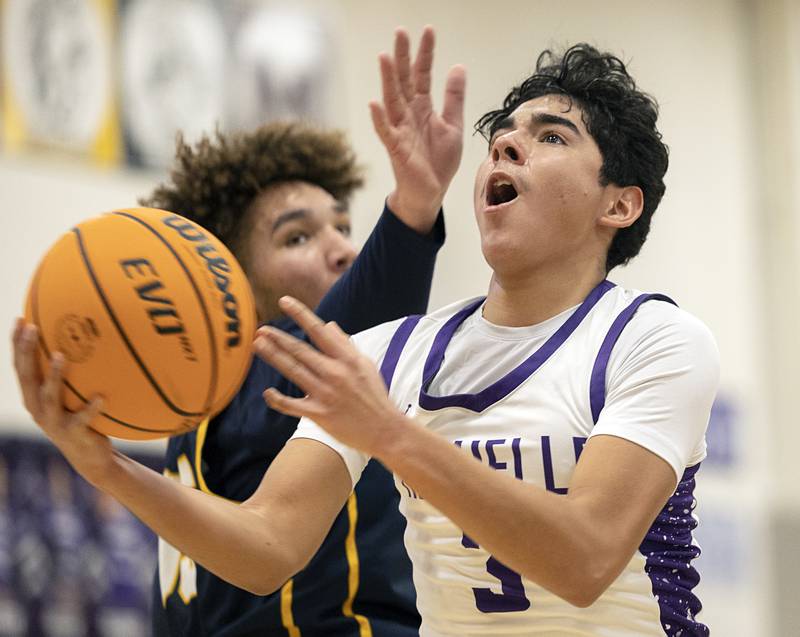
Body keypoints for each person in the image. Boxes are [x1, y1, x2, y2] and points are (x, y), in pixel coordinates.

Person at [13, 27, 718, 637]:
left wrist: (393, 435)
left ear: (620, 204)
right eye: (502, 138)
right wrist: (106, 466)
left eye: (550, 137)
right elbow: (267, 546)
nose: (506, 147)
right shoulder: (391, 352)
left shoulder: (657, 339)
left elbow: (584, 557)